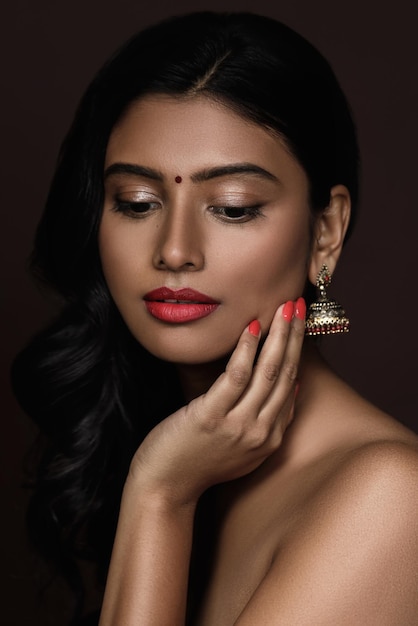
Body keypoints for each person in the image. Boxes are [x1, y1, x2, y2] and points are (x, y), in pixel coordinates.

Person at [11, 11, 418, 626]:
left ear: (326, 231)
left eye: (232, 208)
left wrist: (159, 496)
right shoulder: (189, 454)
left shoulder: (390, 498)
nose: (174, 251)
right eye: (137, 202)